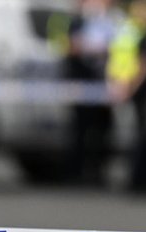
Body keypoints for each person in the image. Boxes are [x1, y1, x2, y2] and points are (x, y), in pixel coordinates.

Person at [107, 0, 146, 193]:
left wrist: (117, 84)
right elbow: (142, 64)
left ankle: (137, 178)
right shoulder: (141, 32)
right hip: (134, 90)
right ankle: (139, 179)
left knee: (134, 136)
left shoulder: (125, 29)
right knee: (140, 136)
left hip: (125, 88)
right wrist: (130, 87)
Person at [64, 0, 117, 184]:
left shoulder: (109, 22)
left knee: (102, 130)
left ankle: (96, 171)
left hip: (103, 86)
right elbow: (72, 48)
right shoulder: (78, 22)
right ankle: (75, 172)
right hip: (82, 85)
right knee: (80, 130)